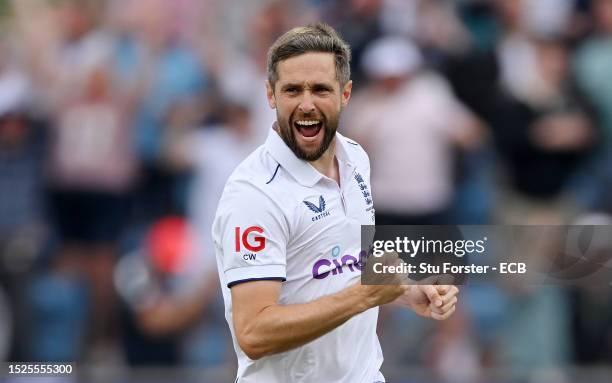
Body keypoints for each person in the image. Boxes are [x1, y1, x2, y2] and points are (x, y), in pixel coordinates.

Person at [212, 23, 459, 383]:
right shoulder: (254, 194)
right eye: (292, 90)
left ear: (345, 94)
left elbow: (343, 266)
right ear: (270, 95)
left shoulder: (356, 158)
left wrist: (408, 290)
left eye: (320, 89)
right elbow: (253, 332)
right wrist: (364, 296)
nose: (306, 104)